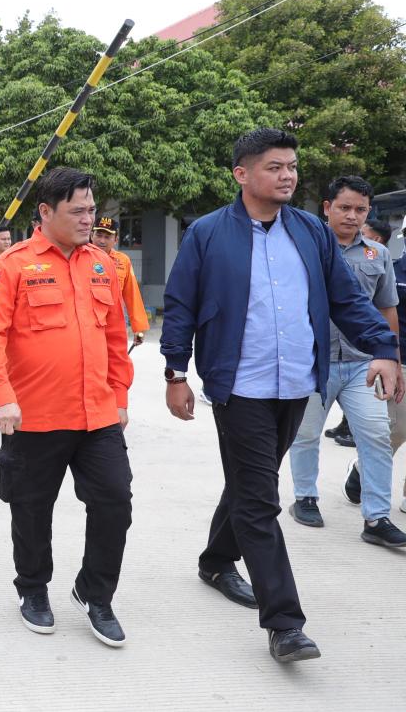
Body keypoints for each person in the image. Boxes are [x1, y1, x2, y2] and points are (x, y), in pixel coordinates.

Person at [161, 128, 399, 664]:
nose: (287, 175)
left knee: (249, 483)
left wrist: (384, 346)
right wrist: (175, 373)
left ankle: (215, 561)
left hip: (295, 383)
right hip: (239, 385)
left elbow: (346, 298)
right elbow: (180, 304)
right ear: (242, 174)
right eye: (274, 167)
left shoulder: (310, 231)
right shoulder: (207, 233)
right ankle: (285, 623)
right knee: (260, 500)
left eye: (291, 166)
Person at [0, 168, 135, 647]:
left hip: (97, 415)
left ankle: (95, 592)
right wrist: (1, 396)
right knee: (31, 509)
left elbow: (116, 338)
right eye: (77, 211)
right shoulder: (12, 265)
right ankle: (33, 588)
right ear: (45, 212)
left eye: (92, 210)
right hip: (33, 417)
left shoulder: (102, 265)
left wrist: (120, 397)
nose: (89, 219)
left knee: (115, 501)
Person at [286, 177, 406, 545]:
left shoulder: (378, 254)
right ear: (327, 208)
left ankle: (377, 518)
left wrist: (392, 358)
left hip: (362, 364)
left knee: (377, 436)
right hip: (312, 361)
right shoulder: (304, 248)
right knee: (305, 434)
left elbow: (386, 308)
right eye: (344, 208)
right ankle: (305, 498)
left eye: (360, 209)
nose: (352, 216)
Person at [90, 217, 149, 348]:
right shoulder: (80, 256)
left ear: (116, 239)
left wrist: (139, 328)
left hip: (114, 325)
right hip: (88, 324)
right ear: (91, 235)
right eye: (98, 235)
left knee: (117, 359)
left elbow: (132, 294)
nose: (102, 240)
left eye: (107, 237)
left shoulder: (123, 261)